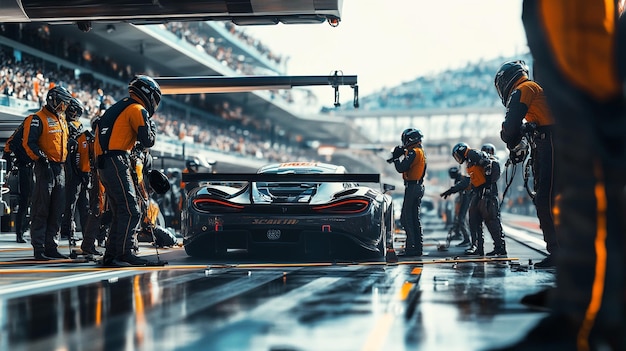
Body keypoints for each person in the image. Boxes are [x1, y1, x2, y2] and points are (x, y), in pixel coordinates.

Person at [491, 1, 626, 350]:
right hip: (568, 51)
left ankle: (584, 310)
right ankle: (584, 300)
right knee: (578, 188)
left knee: (568, 191)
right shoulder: (537, 86)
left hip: (577, 39)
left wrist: (516, 137)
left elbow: (510, 128)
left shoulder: (525, 89)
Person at [494, 60, 557, 268]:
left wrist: (510, 139)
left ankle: (558, 253)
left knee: (545, 200)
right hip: (548, 144)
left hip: (552, 145)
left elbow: (510, 127)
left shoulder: (523, 88)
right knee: (548, 199)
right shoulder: (531, 89)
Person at [94, 75, 160, 267]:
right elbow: (148, 141)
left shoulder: (117, 106)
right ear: (148, 93)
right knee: (132, 210)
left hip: (104, 162)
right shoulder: (137, 109)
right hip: (116, 160)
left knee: (120, 211)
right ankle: (125, 253)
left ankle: (111, 255)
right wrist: (151, 128)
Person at [22, 85, 73, 260]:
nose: (63, 107)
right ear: (52, 100)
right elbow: (29, 143)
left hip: (60, 168)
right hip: (44, 167)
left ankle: (52, 246)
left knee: (57, 209)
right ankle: (39, 248)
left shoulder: (62, 120)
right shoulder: (37, 118)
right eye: (61, 103)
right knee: (41, 208)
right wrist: (40, 158)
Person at [444, 142, 506, 257]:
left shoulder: (473, 154)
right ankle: (478, 247)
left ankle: (499, 247)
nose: (458, 159)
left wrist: (488, 185)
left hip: (487, 194)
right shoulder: (470, 161)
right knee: (474, 220)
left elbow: (491, 166)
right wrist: (452, 190)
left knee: (491, 221)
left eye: (457, 155)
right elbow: (469, 180)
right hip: (478, 193)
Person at [390, 128, 426, 257]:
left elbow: (401, 168)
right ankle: (417, 247)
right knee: (414, 218)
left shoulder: (414, 153)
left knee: (406, 218)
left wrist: (395, 158)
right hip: (417, 186)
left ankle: (411, 248)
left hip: (412, 187)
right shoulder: (419, 152)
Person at [60, 98, 89, 246]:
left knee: (84, 205)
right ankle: (68, 232)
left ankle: (86, 234)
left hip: (81, 169)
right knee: (70, 203)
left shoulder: (79, 126)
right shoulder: (64, 124)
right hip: (70, 168)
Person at [443, 166, 471, 247]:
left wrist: (450, 191)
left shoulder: (461, 177)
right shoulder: (460, 176)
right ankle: (461, 235)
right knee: (460, 218)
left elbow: (460, 188)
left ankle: (467, 239)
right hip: (464, 197)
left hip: (466, 197)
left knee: (461, 218)